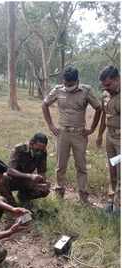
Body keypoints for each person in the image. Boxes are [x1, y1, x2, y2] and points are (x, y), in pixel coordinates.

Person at [42, 66, 101, 203]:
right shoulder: (57, 90)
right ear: (63, 80)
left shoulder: (86, 91)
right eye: (66, 84)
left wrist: (92, 129)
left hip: (79, 134)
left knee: (81, 166)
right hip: (62, 133)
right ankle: (59, 193)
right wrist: (51, 125)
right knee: (60, 165)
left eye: (71, 84)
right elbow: (44, 105)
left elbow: (98, 108)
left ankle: (83, 196)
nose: (68, 87)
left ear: (77, 81)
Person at [0, 133, 50, 207]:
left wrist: (43, 182)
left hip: (26, 180)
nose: (40, 151)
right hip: (13, 179)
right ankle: (12, 206)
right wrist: (29, 176)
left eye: (42, 149)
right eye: (38, 149)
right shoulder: (19, 148)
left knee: (45, 190)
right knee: (3, 178)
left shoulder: (43, 152)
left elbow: (42, 172)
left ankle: (23, 198)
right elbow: (10, 170)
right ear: (31, 143)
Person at [96, 66, 120, 212]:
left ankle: (119, 207)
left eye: (109, 85)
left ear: (117, 79)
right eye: (104, 86)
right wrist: (99, 134)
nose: (106, 88)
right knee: (112, 170)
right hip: (110, 138)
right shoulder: (105, 94)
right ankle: (111, 200)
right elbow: (104, 115)